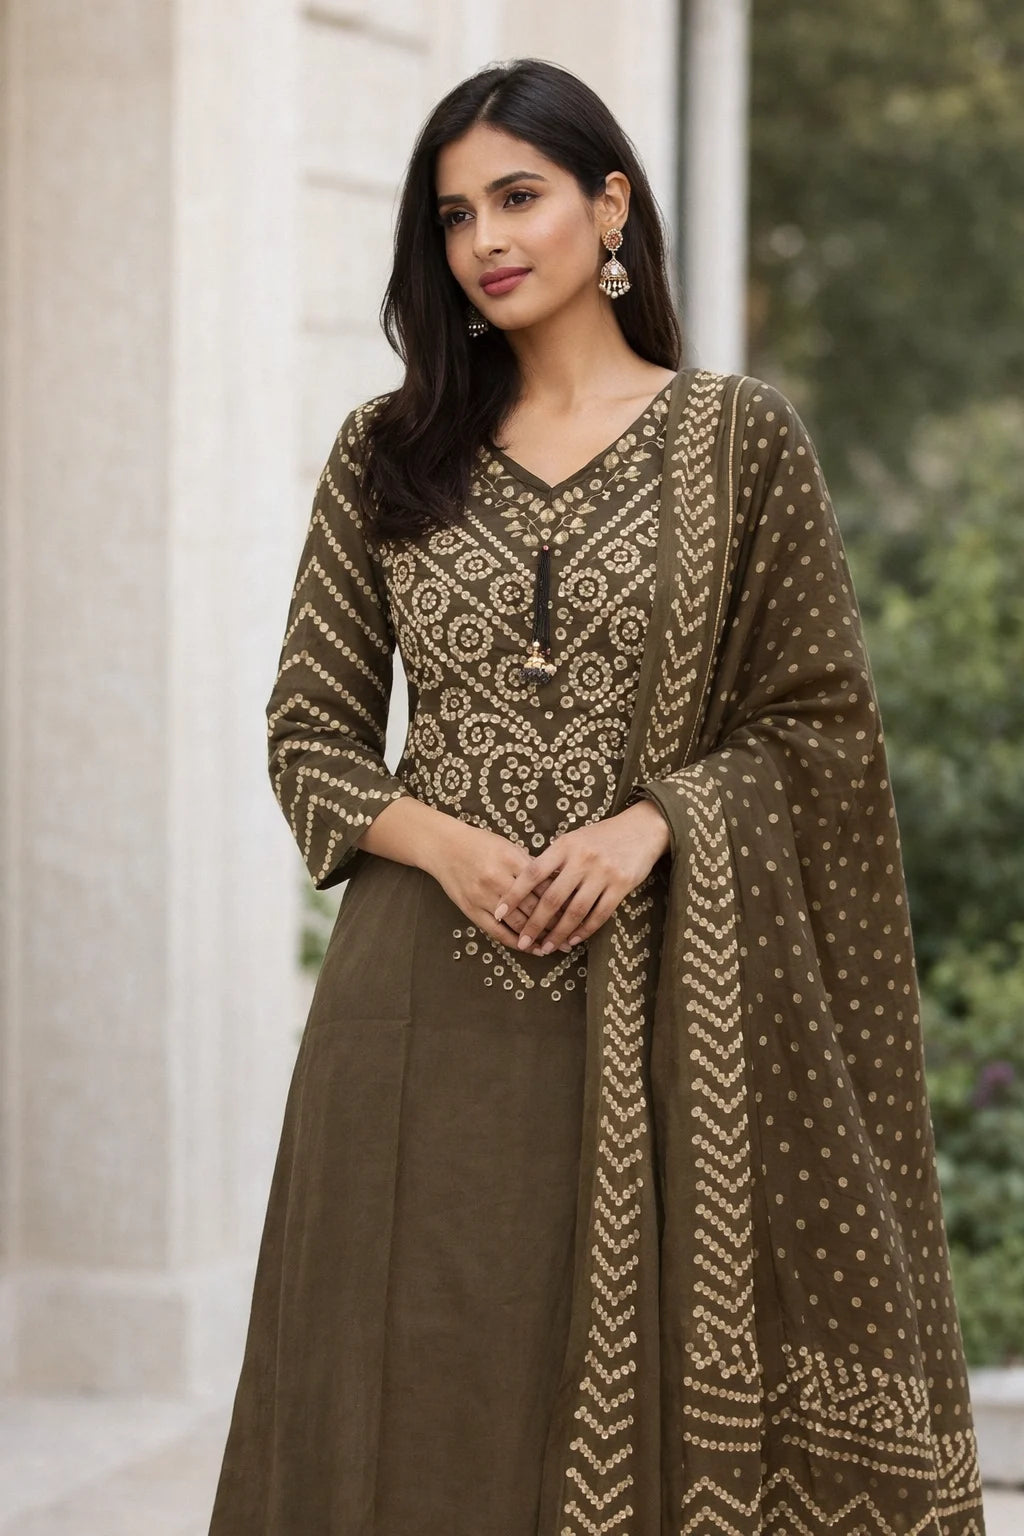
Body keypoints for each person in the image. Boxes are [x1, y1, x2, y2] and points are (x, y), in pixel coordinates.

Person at [207, 57, 986, 1536]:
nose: (485, 241)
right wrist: (444, 843)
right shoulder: (390, 453)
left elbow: (817, 727)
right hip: (417, 1010)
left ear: (608, 204)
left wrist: (652, 823)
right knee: (406, 1386)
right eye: (453, 216)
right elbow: (309, 734)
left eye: (519, 197)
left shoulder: (739, 440)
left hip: (659, 1011)